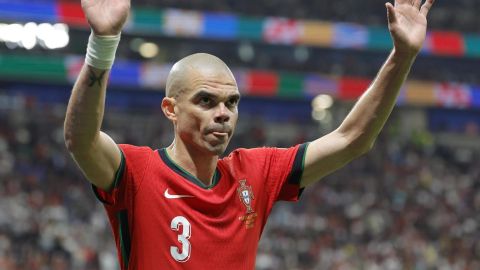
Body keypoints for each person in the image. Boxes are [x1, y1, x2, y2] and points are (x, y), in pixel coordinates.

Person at [64, 0, 435, 269]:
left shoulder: (256, 173)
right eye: (206, 101)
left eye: (232, 102)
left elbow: (352, 139)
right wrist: (103, 42)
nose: (222, 114)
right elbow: (80, 139)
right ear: (170, 110)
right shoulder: (137, 171)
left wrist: (402, 56)